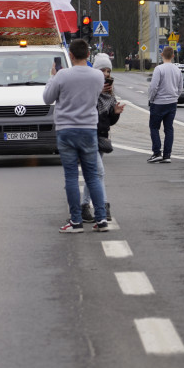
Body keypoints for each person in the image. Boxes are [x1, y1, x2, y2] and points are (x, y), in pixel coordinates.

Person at [43, 39, 109, 233]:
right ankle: (102, 219)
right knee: (93, 177)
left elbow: (47, 98)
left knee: (71, 177)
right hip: (89, 129)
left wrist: (52, 77)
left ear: (70, 55)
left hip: (66, 130)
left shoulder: (62, 75)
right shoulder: (98, 76)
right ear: (88, 55)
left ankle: (76, 222)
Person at [80, 53, 124, 223]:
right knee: (99, 172)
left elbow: (109, 120)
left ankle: (84, 207)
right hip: (89, 135)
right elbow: (85, 109)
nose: (106, 74)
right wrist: (97, 91)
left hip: (102, 136)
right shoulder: (90, 89)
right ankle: (104, 208)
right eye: (102, 70)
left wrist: (115, 113)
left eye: (108, 71)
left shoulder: (110, 94)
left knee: (94, 174)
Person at [147, 46, 182, 163]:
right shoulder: (177, 70)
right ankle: (167, 155)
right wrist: (175, 97)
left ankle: (157, 152)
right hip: (172, 103)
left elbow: (153, 86)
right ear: (173, 56)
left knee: (154, 127)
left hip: (158, 103)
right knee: (169, 128)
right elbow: (180, 88)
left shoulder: (159, 69)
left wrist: (151, 99)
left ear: (162, 55)